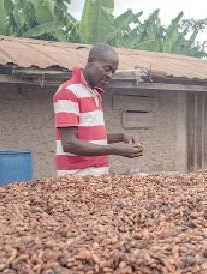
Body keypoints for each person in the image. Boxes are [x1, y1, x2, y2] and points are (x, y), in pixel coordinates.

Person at [53, 43, 143, 176]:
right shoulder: (69, 91)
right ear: (91, 62)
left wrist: (120, 137)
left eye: (113, 71)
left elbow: (91, 139)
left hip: (97, 174)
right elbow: (69, 143)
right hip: (77, 177)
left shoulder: (94, 93)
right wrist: (117, 150)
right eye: (107, 69)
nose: (110, 75)